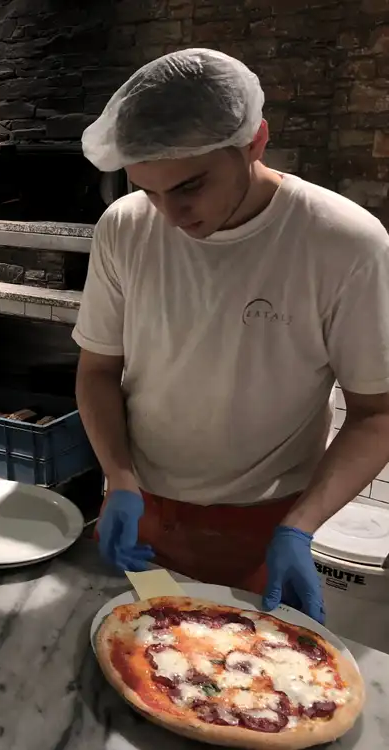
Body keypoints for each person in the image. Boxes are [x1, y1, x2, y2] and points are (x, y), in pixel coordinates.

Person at [75, 48, 389, 623]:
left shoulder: (342, 242)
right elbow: (97, 371)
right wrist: (118, 477)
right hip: (136, 502)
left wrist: (300, 528)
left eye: (190, 186)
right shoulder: (123, 228)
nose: (171, 214)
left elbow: (376, 412)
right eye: (148, 190)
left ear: (255, 142)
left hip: (262, 522)